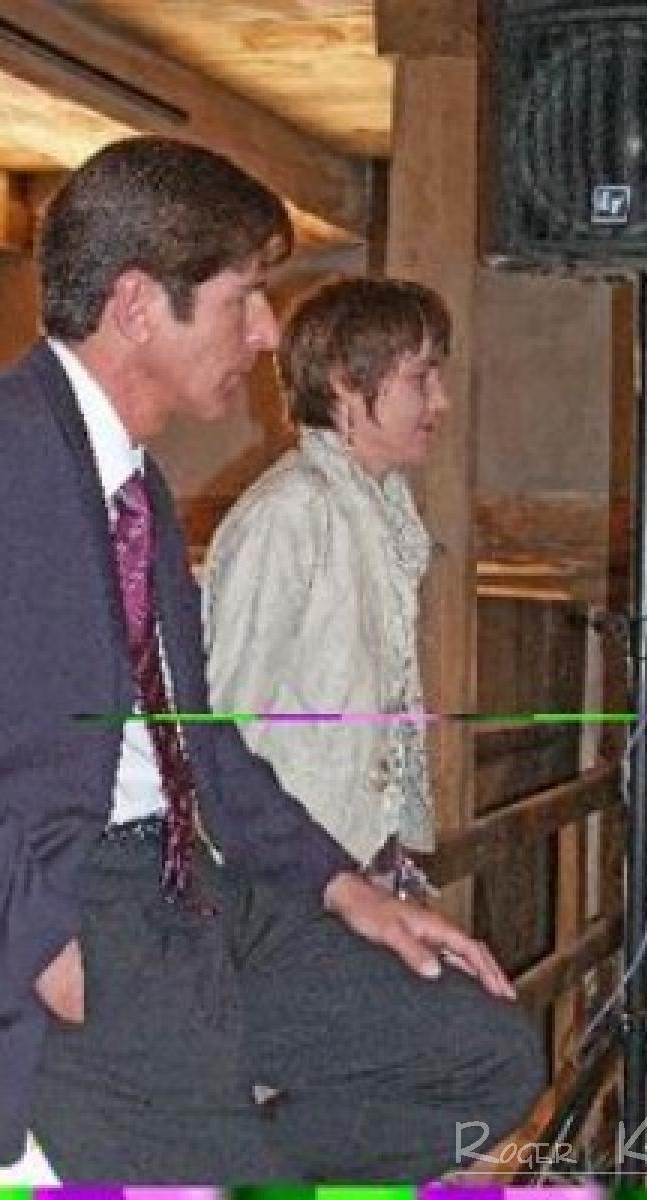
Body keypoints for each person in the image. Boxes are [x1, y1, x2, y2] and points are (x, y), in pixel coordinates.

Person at [0, 136, 543, 1182]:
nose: (267, 332)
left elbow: (200, 745)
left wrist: (341, 886)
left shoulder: (136, 487)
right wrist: (39, 950)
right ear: (136, 305)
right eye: (243, 296)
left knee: (484, 1055)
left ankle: (221, 1167)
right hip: (66, 903)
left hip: (185, 887)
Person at [204, 277, 446, 883]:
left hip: (357, 868)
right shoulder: (290, 512)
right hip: (291, 879)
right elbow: (224, 724)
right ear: (344, 383)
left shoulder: (383, 511)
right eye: (420, 378)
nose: (440, 401)